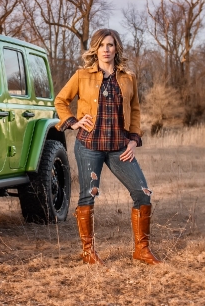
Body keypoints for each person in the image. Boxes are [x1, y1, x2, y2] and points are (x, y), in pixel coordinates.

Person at [55, 28, 161, 265]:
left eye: (110, 45)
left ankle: (142, 250)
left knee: (142, 193)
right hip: (89, 145)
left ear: (116, 49)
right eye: (102, 45)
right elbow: (61, 100)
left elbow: (135, 110)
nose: (106, 49)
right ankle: (88, 252)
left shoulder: (128, 78)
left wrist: (133, 140)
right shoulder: (82, 76)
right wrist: (73, 122)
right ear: (95, 49)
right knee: (88, 196)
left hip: (119, 148)